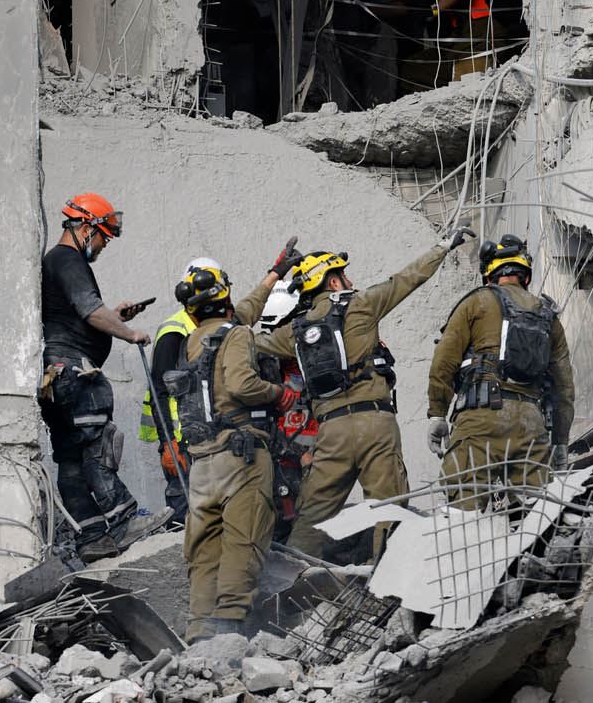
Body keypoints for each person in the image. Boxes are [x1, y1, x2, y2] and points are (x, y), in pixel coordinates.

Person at [233, 227, 473, 560]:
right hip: (376, 424)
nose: (350, 280)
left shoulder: (294, 332)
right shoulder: (363, 305)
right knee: (390, 511)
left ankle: (290, 582)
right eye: (344, 276)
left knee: (312, 518)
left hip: (331, 433)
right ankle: (389, 579)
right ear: (332, 282)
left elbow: (239, 338)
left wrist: (271, 278)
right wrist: (442, 247)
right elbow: (408, 279)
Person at [39, 193, 162, 559]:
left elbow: (84, 315)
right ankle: (124, 521)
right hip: (76, 373)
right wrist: (130, 333)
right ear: (86, 228)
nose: (104, 245)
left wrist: (116, 317)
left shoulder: (56, 261)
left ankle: (92, 537)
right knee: (97, 447)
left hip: (57, 375)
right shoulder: (68, 259)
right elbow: (90, 311)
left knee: (72, 459)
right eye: (103, 237)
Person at [166, 264, 285, 641]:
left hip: (202, 464)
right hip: (240, 457)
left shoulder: (193, 340)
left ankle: (200, 631)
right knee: (242, 541)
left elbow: (240, 315)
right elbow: (242, 384)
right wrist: (279, 393)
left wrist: (273, 276)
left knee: (204, 550)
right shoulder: (236, 335)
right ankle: (229, 630)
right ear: (224, 299)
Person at [427, 235, 574, 509]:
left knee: (463, 516)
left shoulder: (476, 303)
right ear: (525, 276)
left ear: (489, 275)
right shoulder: (548, 316)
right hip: (531, 426)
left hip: (480, 420)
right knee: (537, 517)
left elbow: (443, 362)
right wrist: (561, 442)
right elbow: (564, 388)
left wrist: (437, 414)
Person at [138, 257, 225, 524]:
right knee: (184, 515)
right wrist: (169, 445)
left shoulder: (209, 325)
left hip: (204, 437)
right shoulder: (175, 331)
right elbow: (160, 391)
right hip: (180, 440)